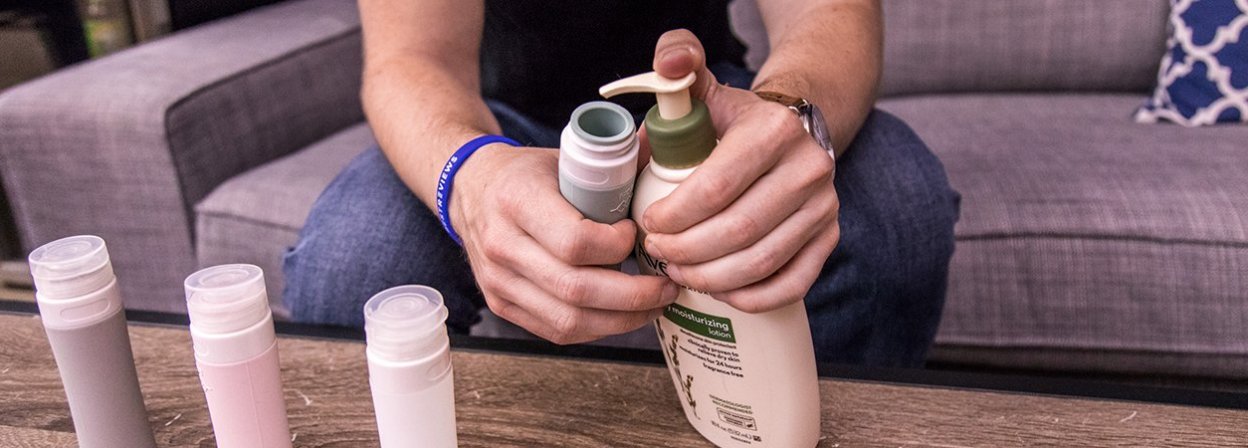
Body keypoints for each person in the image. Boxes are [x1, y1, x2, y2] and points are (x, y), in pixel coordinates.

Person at [283, 0, 960, 367]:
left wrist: (787, 115)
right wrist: (471, 178)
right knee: (356, 260)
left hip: (702, 107)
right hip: (494, 125)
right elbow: (409, 60)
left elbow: (830, 15)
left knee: (897, 206)